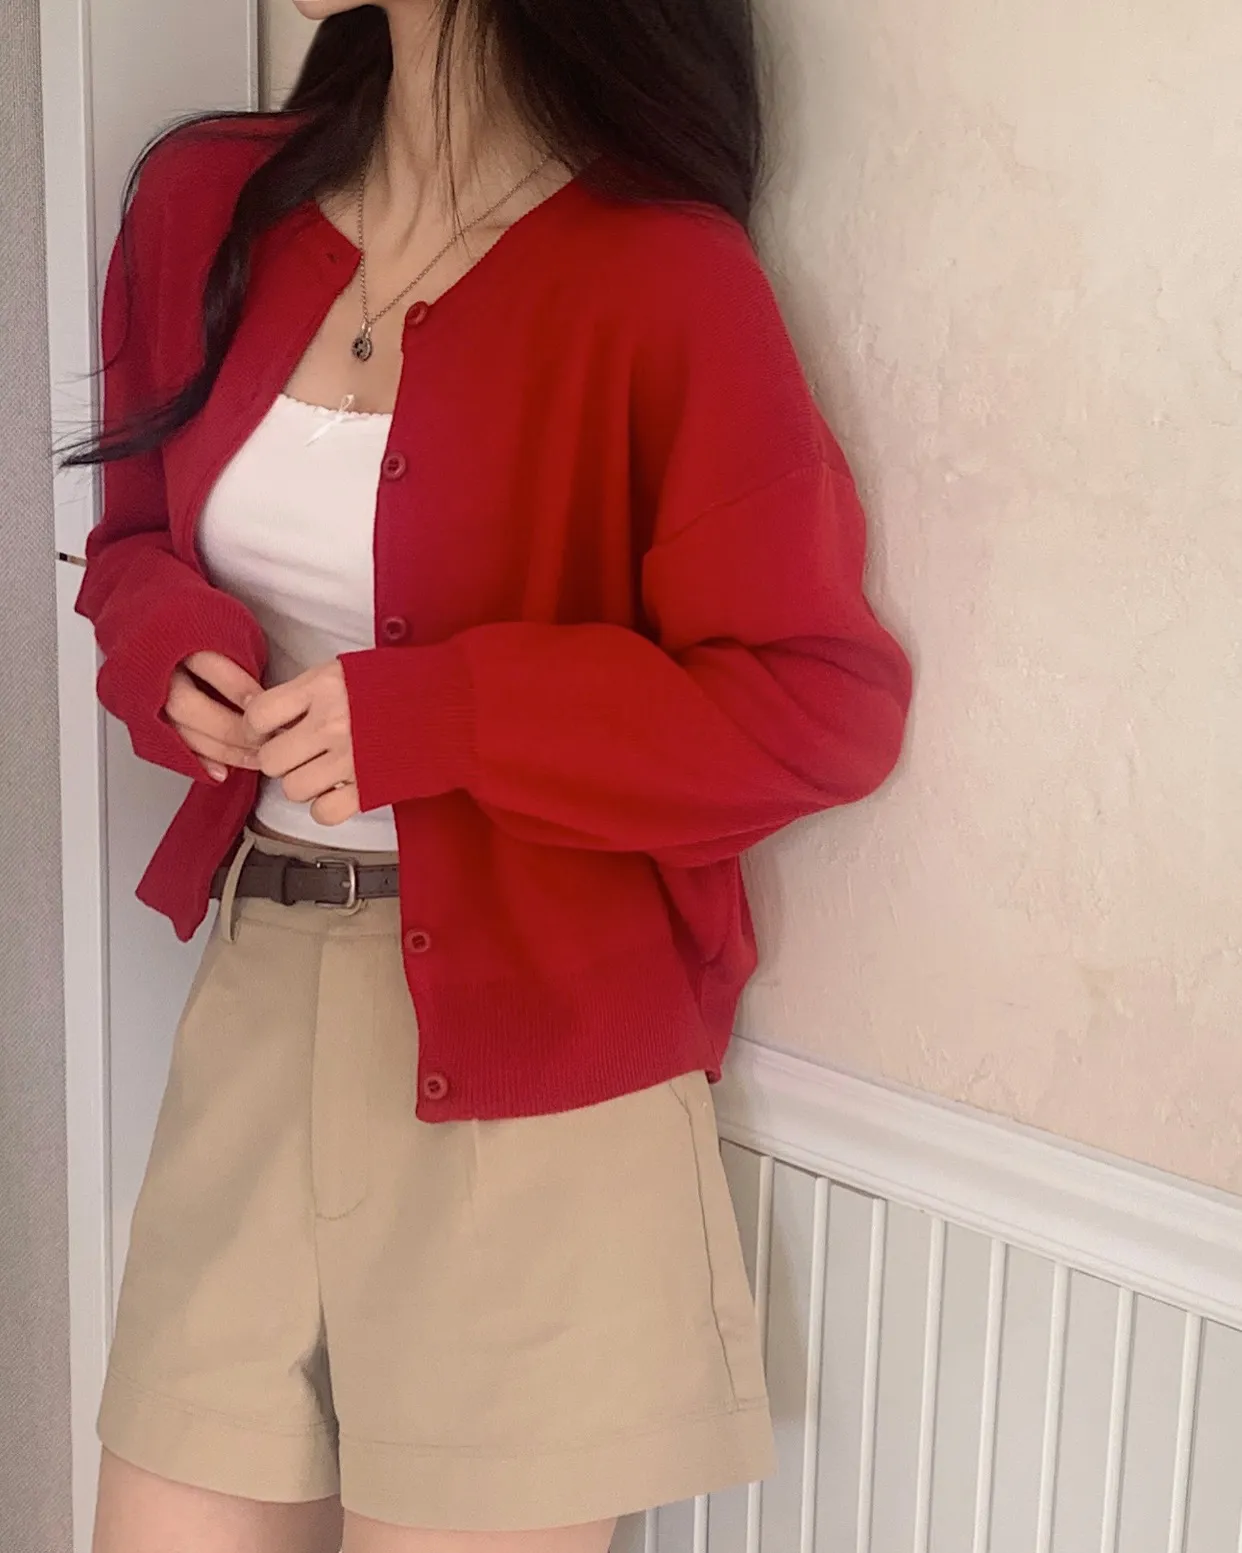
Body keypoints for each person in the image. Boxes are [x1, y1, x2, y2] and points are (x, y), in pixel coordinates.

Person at [61, 0, 912, 1548]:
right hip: (259, 996)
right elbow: (127, 548)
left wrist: (447, 716)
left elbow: (815, 704)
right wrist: (168, 647)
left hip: (540, 1077)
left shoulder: (657, 274)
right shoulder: (207, 202)